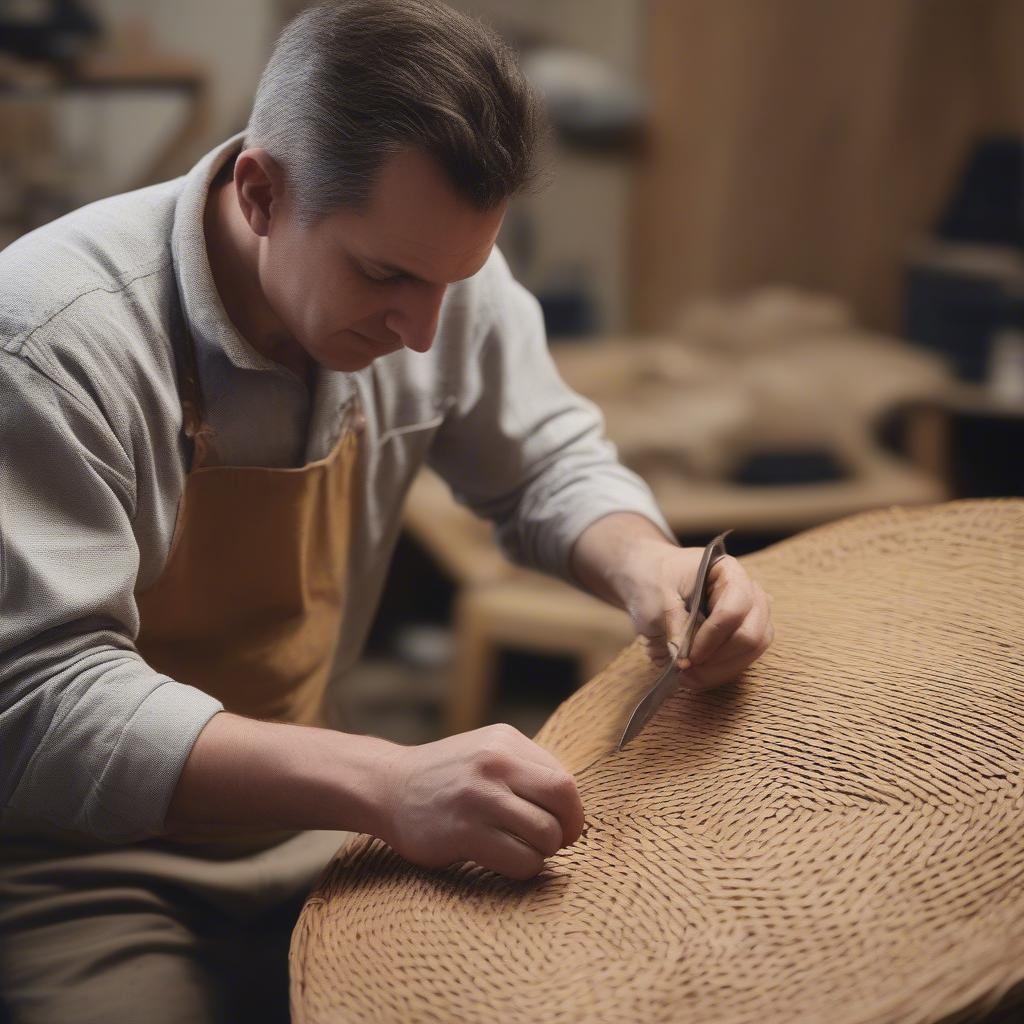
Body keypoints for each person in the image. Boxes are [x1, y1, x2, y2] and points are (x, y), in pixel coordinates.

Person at [0, 1, 773, 1020]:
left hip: (310, 828)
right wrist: (384, 782)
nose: (423, 331)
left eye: (456, 277)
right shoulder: (47, 342)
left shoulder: (438, 272)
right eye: (384, 276)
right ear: (262, 191)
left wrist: (645, 562)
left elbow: (545, 462)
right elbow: (44, 701)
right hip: (76, 864)